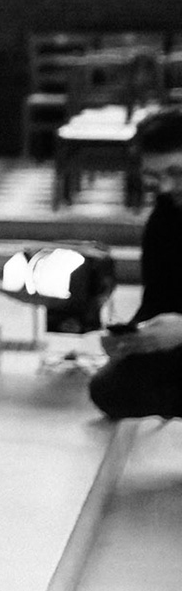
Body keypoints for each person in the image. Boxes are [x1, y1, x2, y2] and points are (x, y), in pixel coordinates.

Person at [91, 107, 182, 419]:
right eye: (155, 177)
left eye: (176, 173)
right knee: (109, 388)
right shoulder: (166, 217)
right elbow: (157, 300)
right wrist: (135, 338)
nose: (166, 187)